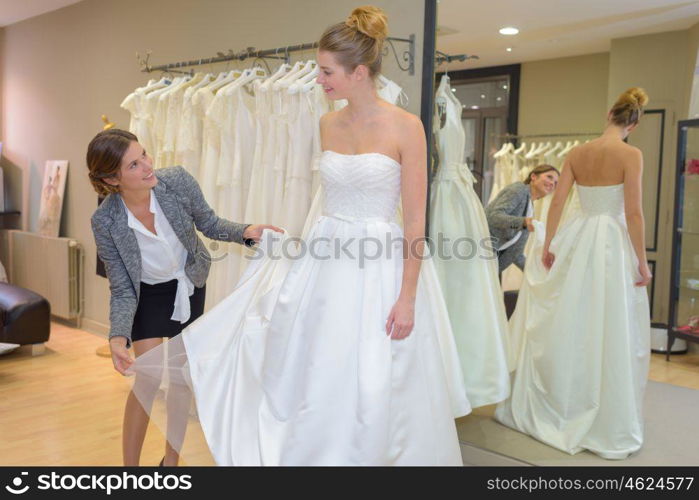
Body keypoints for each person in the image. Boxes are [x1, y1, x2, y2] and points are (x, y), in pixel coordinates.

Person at [130, 5, 470, 466]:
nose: (319, 80)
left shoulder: (406, 128)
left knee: (375, 371)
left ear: (360, 72)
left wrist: (407, 296)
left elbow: (414, 222)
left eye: (327, 72)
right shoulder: (328, 124)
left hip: (380, 263)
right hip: (326, 256)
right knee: (317, 363)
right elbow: (325, 202)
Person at [87, 128, 280, 466]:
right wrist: (118, 337)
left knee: (180, 378)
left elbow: (210, 223)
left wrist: (246, 232)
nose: (148, 166)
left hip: (188, 286)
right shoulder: (105, 220)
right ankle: (129, 471)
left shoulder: (176, 181)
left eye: (144, 154)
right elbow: (120, 285)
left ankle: (171, 463)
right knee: (147, 379)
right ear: (111, 179)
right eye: (134, 165)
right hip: (145, 294)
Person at [495, 88, 652, 459]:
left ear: (609, 114)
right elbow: (633, 213)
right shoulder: (631, 154)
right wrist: (642, 261)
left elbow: (558, 201)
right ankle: (599, 406)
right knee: (608, 323)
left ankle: (562, 398)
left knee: (571, 319)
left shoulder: (577, 153)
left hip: (577, 240)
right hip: (610, 243)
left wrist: (550, 243)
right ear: (634, 122)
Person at [485, 165, 559, 274]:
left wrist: (534, 274)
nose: (552, 183)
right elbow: (493, 217)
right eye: (549, 177)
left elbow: (516, 252)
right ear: (533, 176)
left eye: (556, 183)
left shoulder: (530, 205)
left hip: (492, 264)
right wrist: (523, 222)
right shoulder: (519, 190)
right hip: (481, 255)